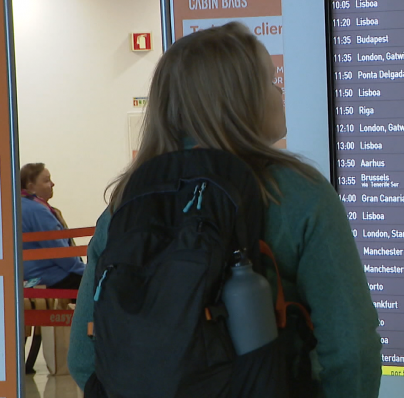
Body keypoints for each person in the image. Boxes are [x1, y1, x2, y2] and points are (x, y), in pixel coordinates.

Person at [68, 22, 382, 397]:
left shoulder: (126, 204)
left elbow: (84, 358)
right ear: (239, 99)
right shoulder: (298, 194)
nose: (278, 91)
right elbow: (351, 350)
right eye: (268, 81)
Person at [20, 163, 84, 290]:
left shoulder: (19, 206)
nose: (52, 184)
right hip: (48, 276)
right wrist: (87, 271)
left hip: (29, 276)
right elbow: (59, 252)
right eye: (46, 180)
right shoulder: (37, 210)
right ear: (31, 187)